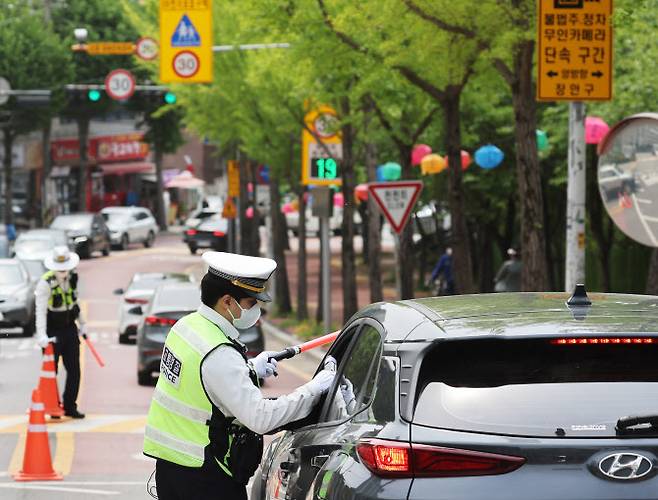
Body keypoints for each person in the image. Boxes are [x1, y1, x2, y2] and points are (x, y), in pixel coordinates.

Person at [143, 251, 336, 500]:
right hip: (206, 476)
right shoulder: (219, 354)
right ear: (226, 301)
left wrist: (251, 369)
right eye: (251, 303)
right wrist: (314, 389)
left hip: (171, 467)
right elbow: (260, 418)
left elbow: (199, 384)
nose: (256, 310)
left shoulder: (186, 327)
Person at [34, 246, 87, 419]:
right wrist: (41, 334)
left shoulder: (72, 277)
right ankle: (53, 406)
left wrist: (83, 324)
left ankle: (70, 405)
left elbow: (75, 301)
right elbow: (40, 310)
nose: (63, 270)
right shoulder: (45, 283)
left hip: (70, 328)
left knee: (74, 370)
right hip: (52, 329)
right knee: (51, 371)